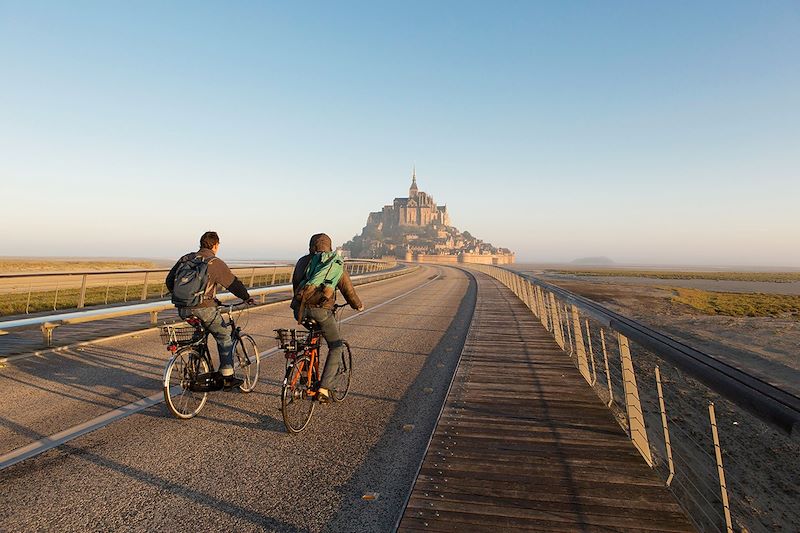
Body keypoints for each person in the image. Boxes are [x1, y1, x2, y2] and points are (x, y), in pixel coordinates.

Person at [166, 231, 255, 389]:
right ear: (216, 245)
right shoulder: (214, 262)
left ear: (201, 243)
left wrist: (183, 298)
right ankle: (227, 376)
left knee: (200, 333)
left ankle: (194, 365)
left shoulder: (186, 258)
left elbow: (169, 280)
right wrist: (246, 297)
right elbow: (233, 284)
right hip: (204, 309)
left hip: (183, 309)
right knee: (224, 335)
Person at [291, 233, 364, 402]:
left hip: (300, 310)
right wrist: (358, 305)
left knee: (311, 339)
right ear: (329, 247)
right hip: (321, 311)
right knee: (336, 345)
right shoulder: (333, 262)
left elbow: (296, 285)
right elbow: (348, 291)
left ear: (311, 246)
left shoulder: (302, 261)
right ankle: (324, 388)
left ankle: (305, 372)